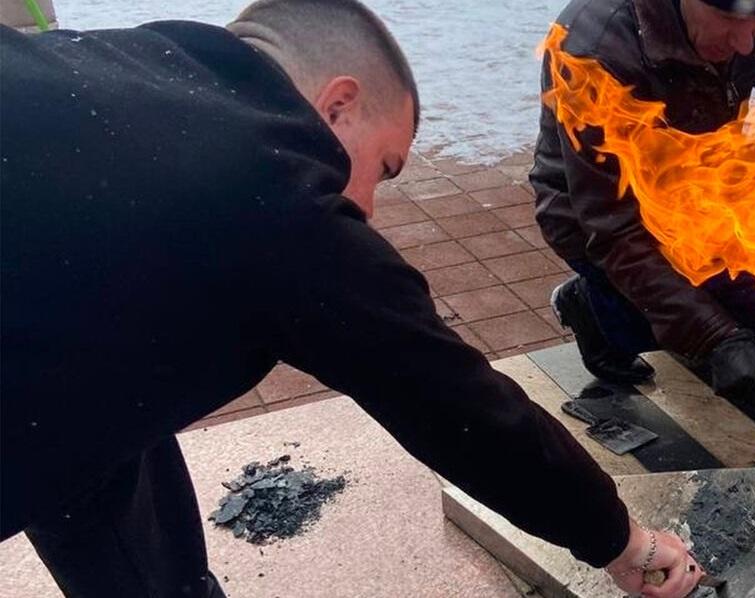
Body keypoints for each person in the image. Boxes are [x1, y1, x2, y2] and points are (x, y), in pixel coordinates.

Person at [0, 1, 702, 596]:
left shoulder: (109, 72)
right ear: (338, 105)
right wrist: (622, 539)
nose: (365, 206)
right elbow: (451, 401)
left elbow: (94, 392)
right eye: (383, 169)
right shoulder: (268, 187)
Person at [532, 0, 755, 411]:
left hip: (702, 192)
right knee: (659, 314)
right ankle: (593, 310)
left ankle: (691, 312)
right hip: (595, 214)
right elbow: (614, 231)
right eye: (730, 20)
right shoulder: (594, 49)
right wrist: (715, 338)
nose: (746, 44)